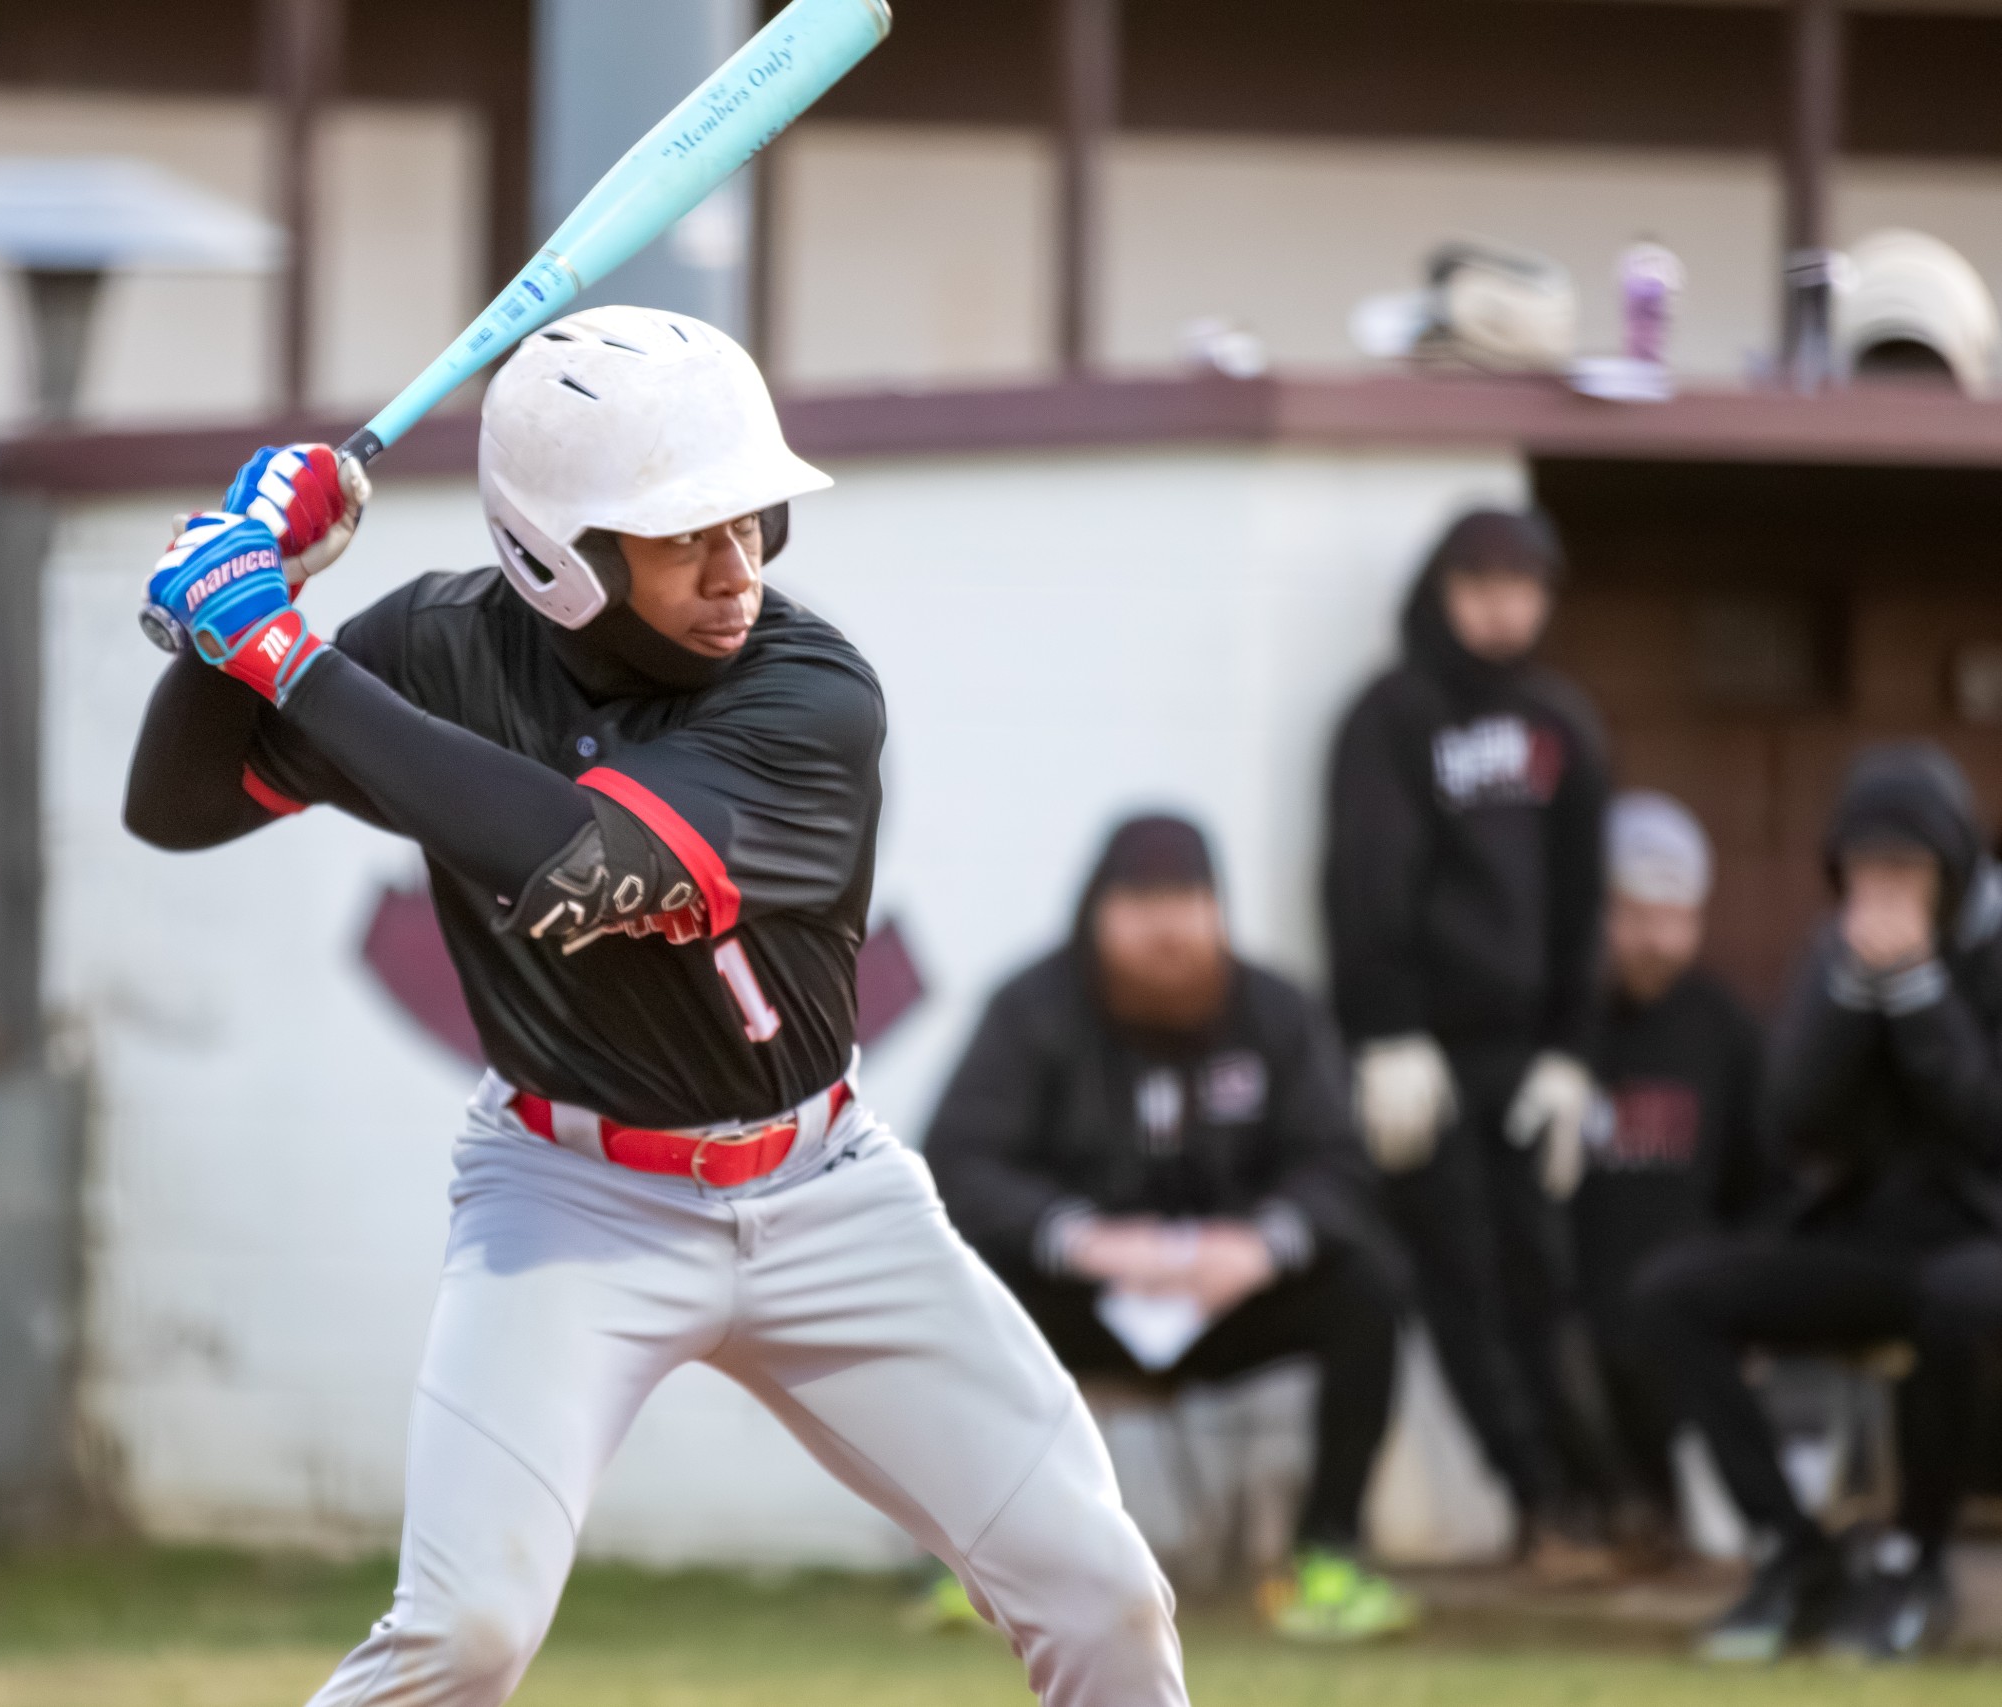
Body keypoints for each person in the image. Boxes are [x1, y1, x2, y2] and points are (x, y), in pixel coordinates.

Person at [120, 306, 1185, 1707]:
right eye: (688, 532)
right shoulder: (441, 648)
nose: (737, 565)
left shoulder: (810, 695)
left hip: (827, 1193)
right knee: (465, 1631)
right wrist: (245, 603)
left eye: (749, 520)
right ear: (558, 557)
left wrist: (283, 651)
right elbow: (177, 806)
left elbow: (581, 866)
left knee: (1103, 1594)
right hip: (568, 1197)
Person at [925, 812, 1415, 1641]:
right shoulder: (1034, 1007)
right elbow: (960, 1160)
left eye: (1188, 898)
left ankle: (1327, 1557)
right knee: (972, 1287)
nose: (1167, 926)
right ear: (1097, 911)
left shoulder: (1275, 1011)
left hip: (1230, 1299)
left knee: (1370, 1283)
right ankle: (993, 1561)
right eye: (1142, 900)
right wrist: (1080, 1237)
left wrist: (1262, 1245)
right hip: (1082, 1300)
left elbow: (1339, 1164)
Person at [1638, 744, 2002, 1663]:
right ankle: (1795, 1553)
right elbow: (1789, 1111)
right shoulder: (1834, 949)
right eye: (1864, 868)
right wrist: (1853, 987)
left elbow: (1987, 1123)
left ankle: (1915, 1557)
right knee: (1673, 1294)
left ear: (1953, 870)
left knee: (1956, 1300)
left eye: (1905, 869)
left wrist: (1920, 992)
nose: (1882, 891)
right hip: (1869, 1242)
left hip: (1980, 1242)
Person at [1322, 507, 1613, 1574]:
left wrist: (1574, 1051)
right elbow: (1364, 880)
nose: (1501, 605)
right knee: (1460, 1277)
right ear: (1442, 588)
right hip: (1423, 1061)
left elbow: (1586, 898)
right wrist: (1386, 1033)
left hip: (1530, 1058)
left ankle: (1595, 1501)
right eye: (1480, 582)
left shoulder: (1563, 725)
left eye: (1522, 583)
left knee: (1544, 1274)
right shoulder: (1389, 718)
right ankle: (1536, 1503)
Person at [1568, 792, 1773, 1559]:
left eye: (1675, 915)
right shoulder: (1567, 1021)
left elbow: (1765, 1177)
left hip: (1687, 1313)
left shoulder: (1723, 1025)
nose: (1657, 938)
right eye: (1635, 914)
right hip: (1582, 1314)